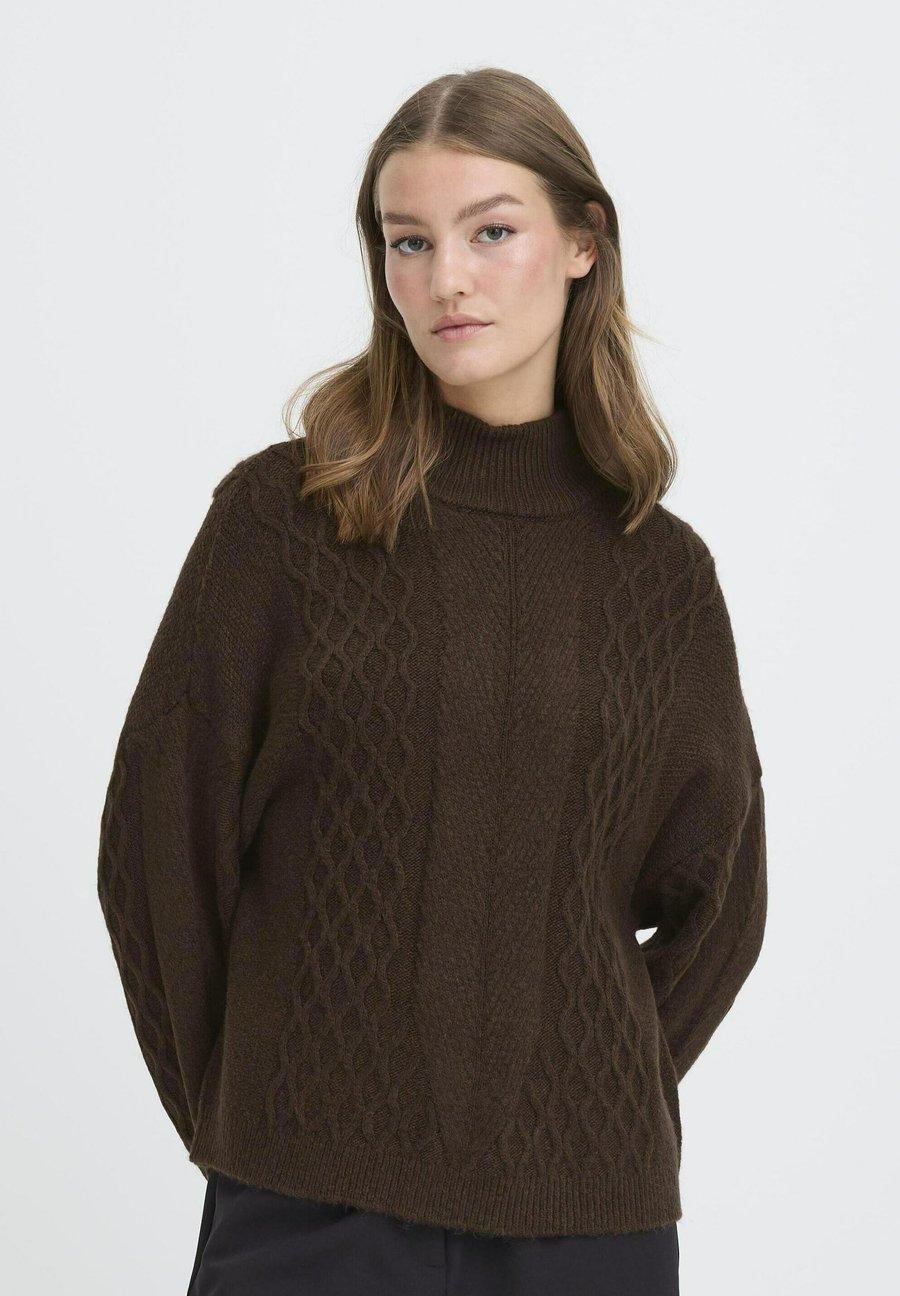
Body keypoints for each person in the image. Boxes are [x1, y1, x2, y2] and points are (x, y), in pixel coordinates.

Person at [97, 67, 766, 1296]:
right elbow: (155, 848)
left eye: (491, 231)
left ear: (583, 243)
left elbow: (721, 900)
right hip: (305, 1209)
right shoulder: (283, 520)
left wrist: (592, 1093)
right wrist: (251, 1115)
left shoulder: (662, 573)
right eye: (410, 241)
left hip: (588, 1228)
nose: (447, 277)